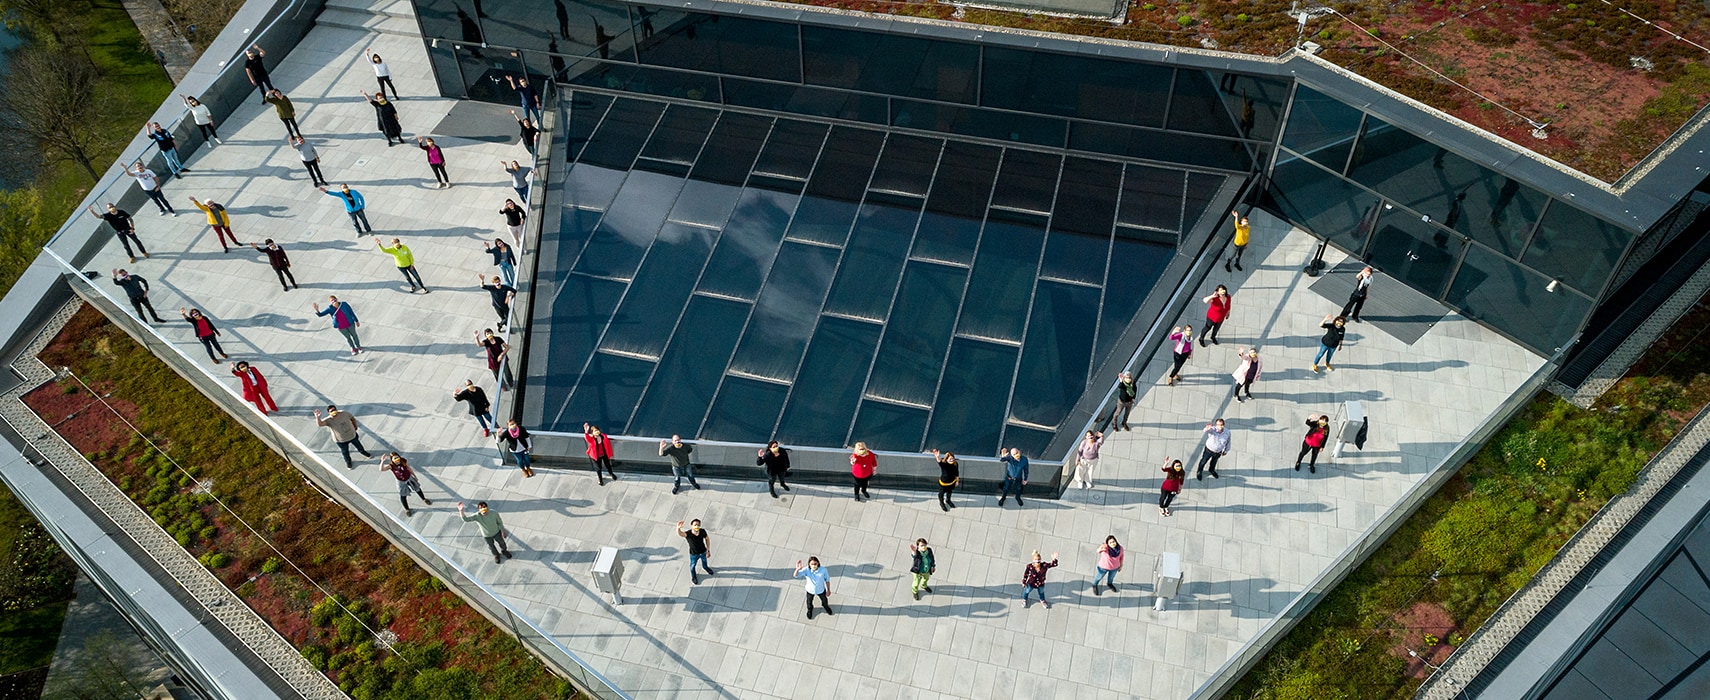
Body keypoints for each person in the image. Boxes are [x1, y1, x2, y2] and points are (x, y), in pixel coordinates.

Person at [677, 519, 714, 584]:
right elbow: (680, 534)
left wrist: (708, 550)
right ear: (691, 526)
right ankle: (693, 576)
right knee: (692, 566)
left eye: (698, 525)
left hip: (703, 551)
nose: (697, 526)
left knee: (704, 561)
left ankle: (705, 568)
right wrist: (678, 528)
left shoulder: (702, 531)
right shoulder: (688, 534)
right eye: (695, 525)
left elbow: (707, 539)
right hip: (694, 554)